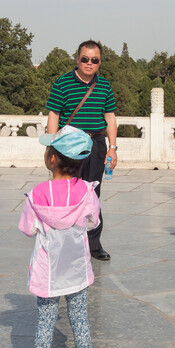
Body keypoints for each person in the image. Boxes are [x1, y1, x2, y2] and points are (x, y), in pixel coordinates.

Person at [19, 125, 105, 348]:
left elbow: (28, 229)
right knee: (79, 319)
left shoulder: (36, 194)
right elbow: (93, 223)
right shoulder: (88, 193)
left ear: (52, 158)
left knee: (45, 320)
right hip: (76, 269)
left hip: (48, 271)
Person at [46, 40, 117, 262]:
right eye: (85, 59)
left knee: (92, 193)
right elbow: (54, 115)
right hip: (68, 145)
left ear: (100, 62)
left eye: (94, 60)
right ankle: (65, 242)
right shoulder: (63, 83)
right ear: (77, 59)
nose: (89, 63)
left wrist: (112, 148)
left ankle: (94, 244)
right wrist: (52, 146)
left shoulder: (104, 85)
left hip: (96, 144)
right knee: (66, 193)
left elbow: (110, 118)